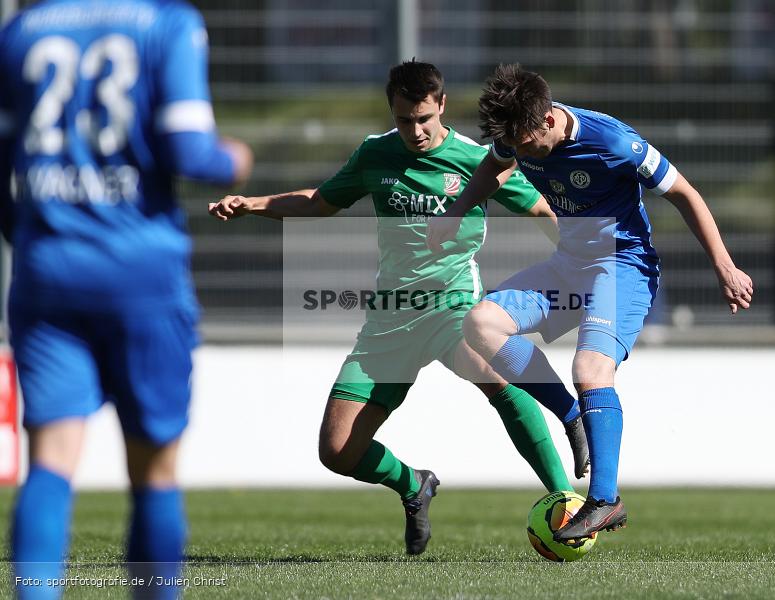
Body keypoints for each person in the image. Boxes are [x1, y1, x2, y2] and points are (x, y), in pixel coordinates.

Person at [208, 60, 587, 556]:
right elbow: (321, 202)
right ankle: (414, 484)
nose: (416, 131)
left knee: (493, 373)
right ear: (393, 111)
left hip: (454, 305)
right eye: (406, 120)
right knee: (338, 451)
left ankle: (564, 499)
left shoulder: (478, 159)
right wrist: (252, 203)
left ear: (442, 106)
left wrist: (581, 261)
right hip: (390, 317)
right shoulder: (375, 153)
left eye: (425, 119)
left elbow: (540, 207)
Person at [427, 63, 753, 541]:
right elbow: (492, 169)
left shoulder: (614, 143)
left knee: (590, 370)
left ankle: (605, 500)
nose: (516, 151)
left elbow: (684, 193)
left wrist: (724, 265)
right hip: (570, 265)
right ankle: (573, 415)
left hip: (623, 267)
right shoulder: (514, 134)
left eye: (523, 143)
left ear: (547, 122)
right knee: (481, 324)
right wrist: (455, 213)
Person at [0, 0, 253, 597]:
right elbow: (191, 152)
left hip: (47, 270)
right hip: (141, 270)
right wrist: (235, 161)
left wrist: (32, 235)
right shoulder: (169, 25)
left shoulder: (22, 29)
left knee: (51, 461)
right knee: (154, 469)